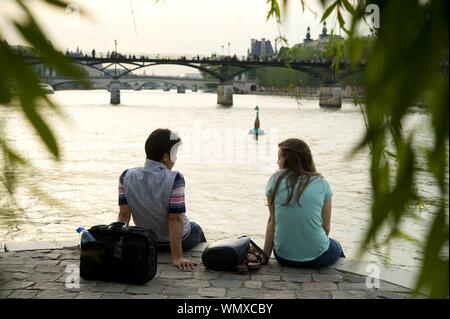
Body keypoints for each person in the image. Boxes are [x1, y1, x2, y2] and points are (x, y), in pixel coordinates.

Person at [117, 128, 206, 271]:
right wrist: (177, 257)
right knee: (196, 228)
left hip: (147, 240)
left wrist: (117, 247)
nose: (176, 159)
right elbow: (175, 219)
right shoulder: (175, 178)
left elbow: (124, 215)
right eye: (175, 154)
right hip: (175, 241)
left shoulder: (126, 176)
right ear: (165, 157)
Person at [263, 138, 345, 269]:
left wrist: (265, 256)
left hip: (283, 257)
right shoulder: (322, 183)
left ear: (288, 160)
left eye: (279, 158)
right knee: (336, 246)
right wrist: (311, 249)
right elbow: (326, 227)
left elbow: (272, 221)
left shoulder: (275, 180)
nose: (277, 162)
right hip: (318, 258)